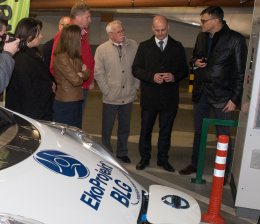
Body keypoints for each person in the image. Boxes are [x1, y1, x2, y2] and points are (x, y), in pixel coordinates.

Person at [179, 6, 247, 177]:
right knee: (199, 131)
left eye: (203, 21)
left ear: (215, 21)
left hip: (223, 95)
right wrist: (195, 62)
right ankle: (195, 163)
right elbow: (194, 56)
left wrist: (235, 99)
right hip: (201, 92)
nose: (200, 23)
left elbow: (241, 72)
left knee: (223, 134)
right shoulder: (201, 36)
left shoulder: (235, 39)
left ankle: (223, 172)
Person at [131, 15, 188, 172]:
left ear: (168, 27)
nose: (160, 33)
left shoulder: (177, 47)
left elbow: (185, 70)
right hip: (150, 97)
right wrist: (152, 77)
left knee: (166, 131)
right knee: (145, 130)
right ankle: (144, 158)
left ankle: (163, 159)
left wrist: (174, 77)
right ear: (152, 29)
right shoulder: (144, 47)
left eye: (163, 29)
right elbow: (135, 69)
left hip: (169, 98)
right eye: (157, 30)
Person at [94, 20, 140, 164]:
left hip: (128, 95)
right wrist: (106, 91)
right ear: (110, 34)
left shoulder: (133, 46)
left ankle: (122, 151)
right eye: (118, 32)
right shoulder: (102, 49)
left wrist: (135, 86)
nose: (122, 34)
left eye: (122, 30)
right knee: (107, 127)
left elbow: (138, 67)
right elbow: (98, 73)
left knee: (125, 126)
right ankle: (106, 151)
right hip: (111, 96)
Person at [50, 3, 94, 124]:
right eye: (87, 17)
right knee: (68, 129)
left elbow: (85, 66)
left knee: (76, 128)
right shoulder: (66, 35)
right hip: (69, 91)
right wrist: (64, 83)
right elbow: (56, 65)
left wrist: (86, 77)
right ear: (78, 17)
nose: (90, 20)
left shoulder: (82, 34)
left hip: (78, 90)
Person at [6, 17, 55, 121]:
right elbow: (27, 93)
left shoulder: (33, 54)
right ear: (28, 35)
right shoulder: (21, 59)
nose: (41, 36)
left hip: (38, 113)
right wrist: (49, 86)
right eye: (38, 33)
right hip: (29, 117)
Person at [52, 25, 89, 128]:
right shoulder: (61, 56)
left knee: (75, 133)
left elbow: (87, 73)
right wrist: (81, 73)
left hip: (75, 99)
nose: (81, 38)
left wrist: (81, 73)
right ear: (72, 38)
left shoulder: (74, 55)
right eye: (79, 36)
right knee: (68, 136)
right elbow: (76, 80)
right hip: (66, 102)